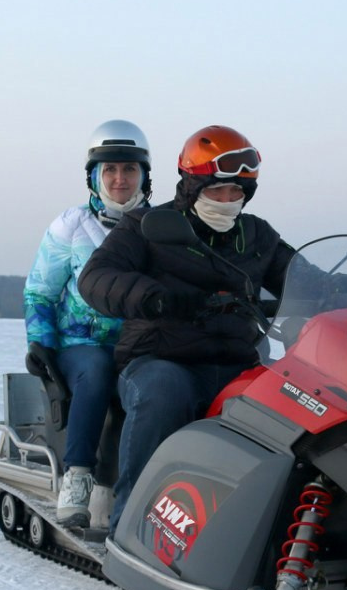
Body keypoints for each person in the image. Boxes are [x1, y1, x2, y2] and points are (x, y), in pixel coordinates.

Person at [78, 125, 296, 530]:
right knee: (164, 392)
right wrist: (154, 297)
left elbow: (301, 276)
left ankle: (282, 528)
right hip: (159, 357)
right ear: (193, 185)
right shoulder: (147, 225)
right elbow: (96, 277)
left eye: (237, 192)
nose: (227, 201)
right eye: (217, 190)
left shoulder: (257, 235)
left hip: (237, 364)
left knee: (293, 404)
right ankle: (131, 523)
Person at [23, 119, 152, 529]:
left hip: (141, 343)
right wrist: (40, 342)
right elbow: (40, 292)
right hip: (82, 343)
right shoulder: (71, 226)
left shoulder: (161, 228)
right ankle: (78, 476)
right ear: (93, 176)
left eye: (129, 169)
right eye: (110, 170)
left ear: (144, 176)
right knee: (96, 373)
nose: (120, 179)